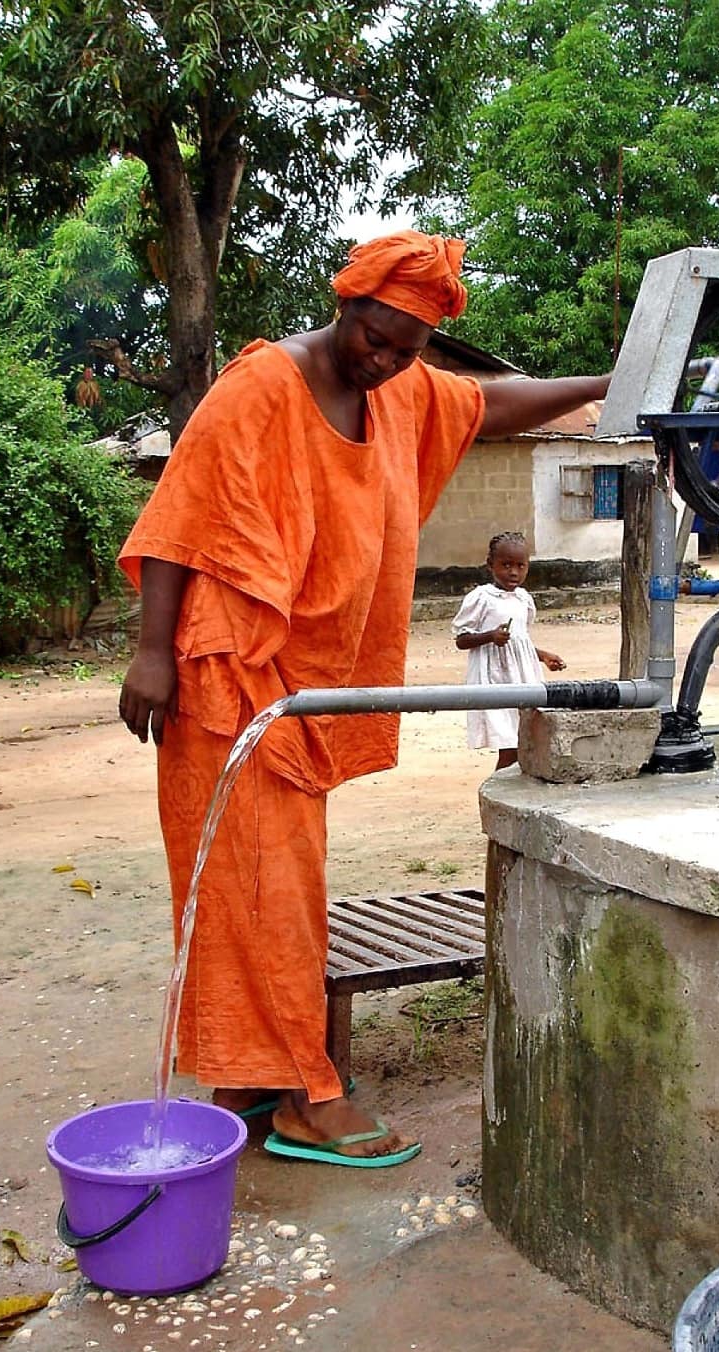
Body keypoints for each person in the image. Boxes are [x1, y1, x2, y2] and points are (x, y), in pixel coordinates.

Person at [117, 230, 611, 1167]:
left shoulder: (402, 391)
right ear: (345, 306)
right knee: (262, 888)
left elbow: (490, 404)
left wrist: (598, 383)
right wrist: (150, 652)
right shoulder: (261, 385)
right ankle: (308, 1093)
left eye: (407, 349)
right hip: (226, 670)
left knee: (254, 887)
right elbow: (181, 515)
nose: (385, 361)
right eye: (376, 338)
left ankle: (247, 1083)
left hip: (302, 684)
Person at [452, 531, 564, 769]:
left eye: (520, 566)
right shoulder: (482, 598)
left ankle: (511, 791)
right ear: (490, 565)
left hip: (523, 676)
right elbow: (461, 640)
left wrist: (543, 656)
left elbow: (519, 642)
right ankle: (497, 794)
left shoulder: (524, 599)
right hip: (496, 679)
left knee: (526, 738)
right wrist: (490, 636)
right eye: (506, 565)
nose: (513, 572)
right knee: (510, 744)